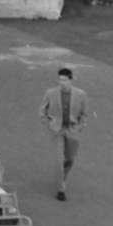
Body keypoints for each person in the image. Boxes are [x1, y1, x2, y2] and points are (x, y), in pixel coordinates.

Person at [39, 65, 90, 201]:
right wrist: (48, 124)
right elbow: (42, 110)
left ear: (71, 80)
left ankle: (61, 179)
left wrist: (79, 127)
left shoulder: (81, 94)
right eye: (60, 80)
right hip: (57, 130)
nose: (62, 83)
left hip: (72, 130)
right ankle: (60, 190)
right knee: (58, 161)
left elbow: (84, 114)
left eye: (65, 80)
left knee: (70, 158)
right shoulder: (51, 93)